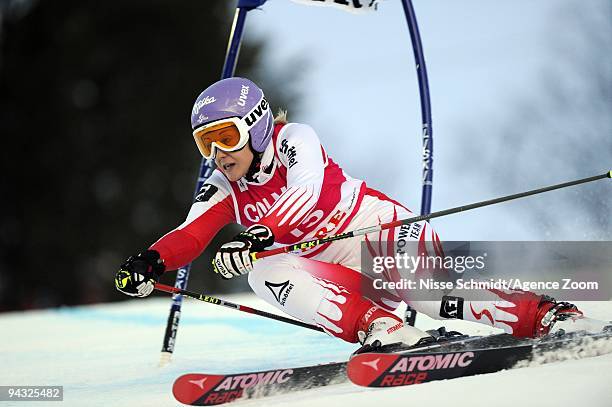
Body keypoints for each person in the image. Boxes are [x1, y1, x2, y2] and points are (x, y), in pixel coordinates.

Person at [114, 77, 601, 352]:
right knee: (266, 274)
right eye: (206, 143)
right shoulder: (224, 185)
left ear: (256, 126)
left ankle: (546, 315)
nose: (218, 154)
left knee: (429, 293)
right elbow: (191, 233)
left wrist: (256, 236)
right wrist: (150, 263)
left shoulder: (293, 141)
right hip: (333, 270)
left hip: (378, 232)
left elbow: (308, 196)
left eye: (225, 137)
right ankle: (386, 330)